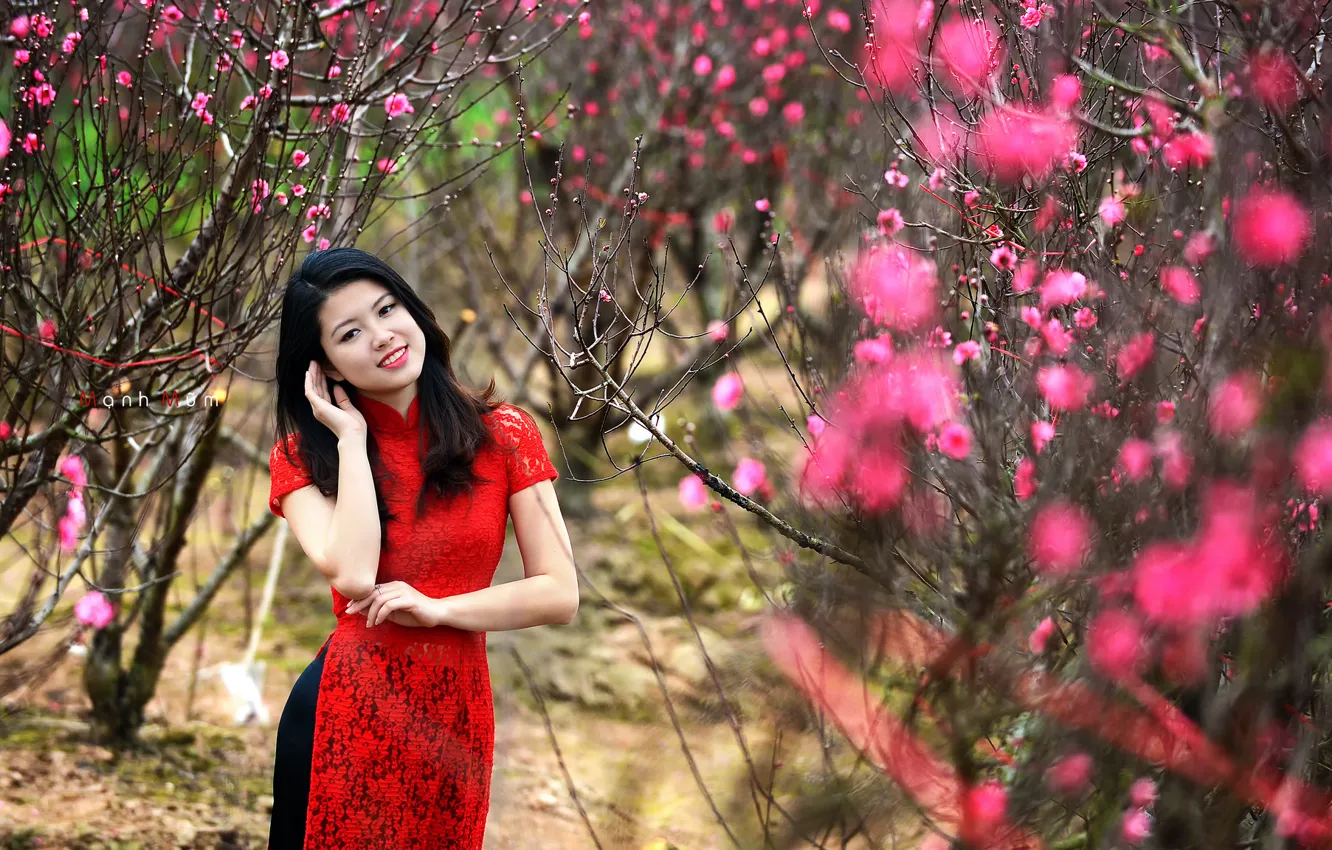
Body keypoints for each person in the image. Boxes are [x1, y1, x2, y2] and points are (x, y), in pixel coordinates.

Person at [265, 247, 578, 849]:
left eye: (388, 309)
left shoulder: (504, 434)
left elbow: (559, 593)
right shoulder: (303, 458)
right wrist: (353, 441)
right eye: (351, 332)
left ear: (413, 308)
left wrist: (441, 609)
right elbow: (354, 576)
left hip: (455, 716)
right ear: (322, 364)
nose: (382, 337)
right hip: (343, 709)